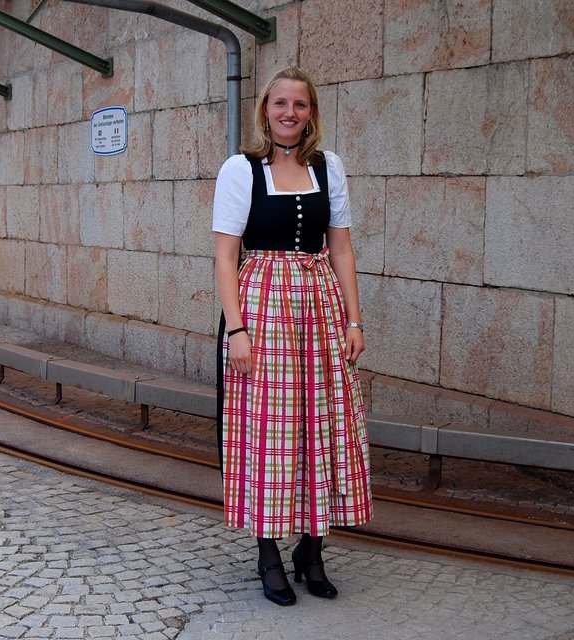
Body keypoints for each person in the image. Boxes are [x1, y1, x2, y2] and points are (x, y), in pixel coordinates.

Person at [212, 66, 373, 606]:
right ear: (265, 110)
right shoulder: (241, 169)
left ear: (312, 113)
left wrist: (353, 319)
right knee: (270, 431)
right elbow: (225, 256)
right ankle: (267, 553)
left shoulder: (330, 168)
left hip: (320, 308)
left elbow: (343, 248)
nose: (289, 113)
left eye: (299, 105)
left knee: (320, 424)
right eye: (280, 104)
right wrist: (237, 328)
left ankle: (312, 548)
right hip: (262, 307)